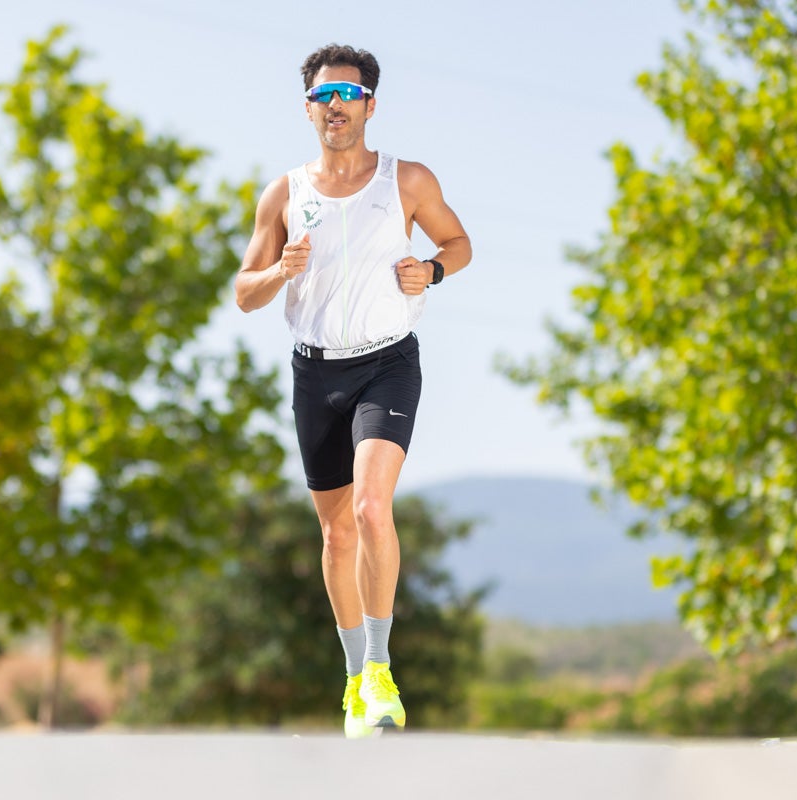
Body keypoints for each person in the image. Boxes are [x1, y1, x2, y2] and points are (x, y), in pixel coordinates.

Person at [235, 44, 472, 738]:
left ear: (370, 104)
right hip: (316, 374)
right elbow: (245, 294)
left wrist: (429, 270)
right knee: (336, 534)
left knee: (371, 510)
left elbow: (458, 244)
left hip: (386, 364)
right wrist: (281, 270)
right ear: (307, 108)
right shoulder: (283, 193)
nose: (335, 107)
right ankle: (350, 682)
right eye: (322, 96)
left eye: (348, 94)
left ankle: (379, 668)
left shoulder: (407, 179)